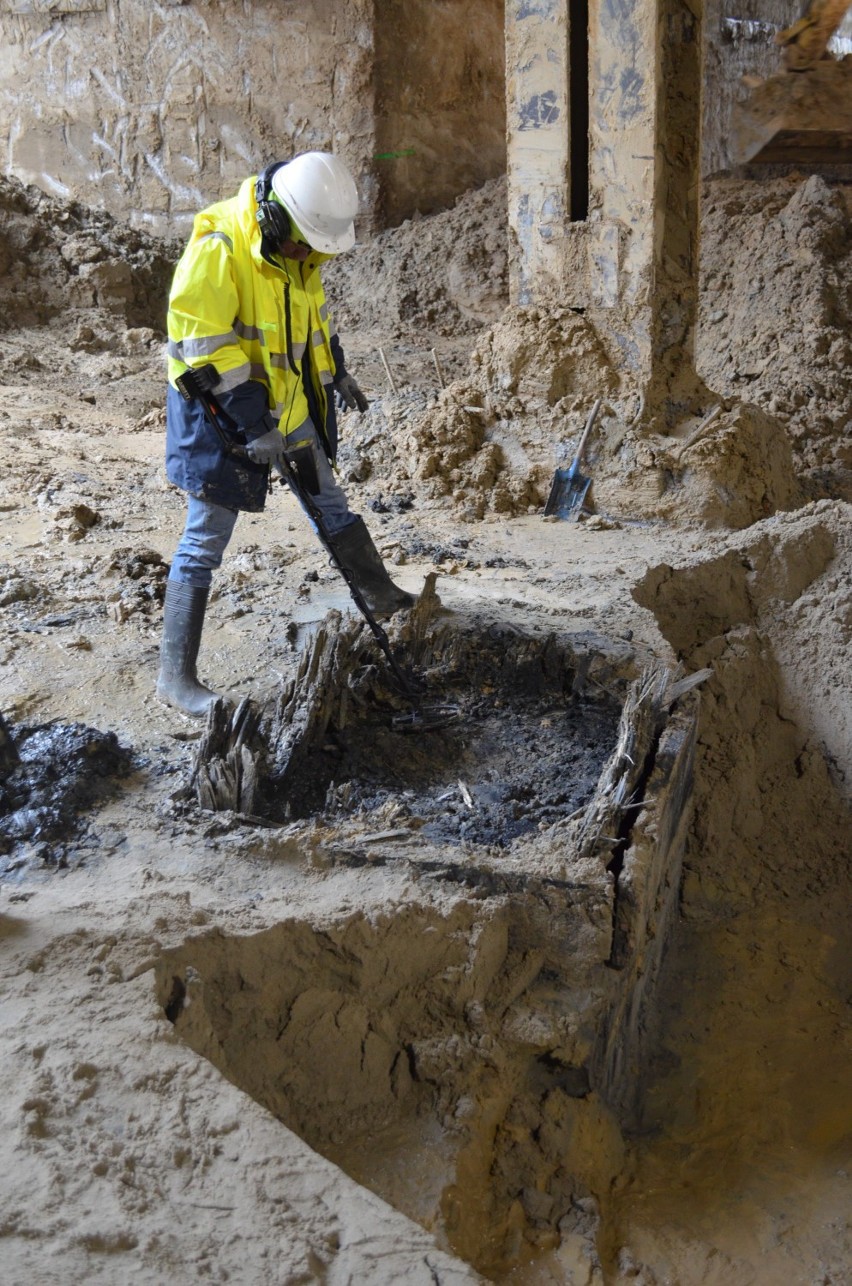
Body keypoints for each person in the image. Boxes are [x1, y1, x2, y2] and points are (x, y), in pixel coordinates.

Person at [157, 152, 414, 717]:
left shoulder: (295, 251)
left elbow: (313, 321)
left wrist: (337, 371)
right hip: (223, 415)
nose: (309, 256)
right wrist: (255, 425)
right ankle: (176, 679)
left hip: (287, 406)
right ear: (274, 217)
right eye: (304, 245)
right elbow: (205, 349)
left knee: (329, 498)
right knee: (205, 537)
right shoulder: (219, 246)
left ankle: (378, 593)